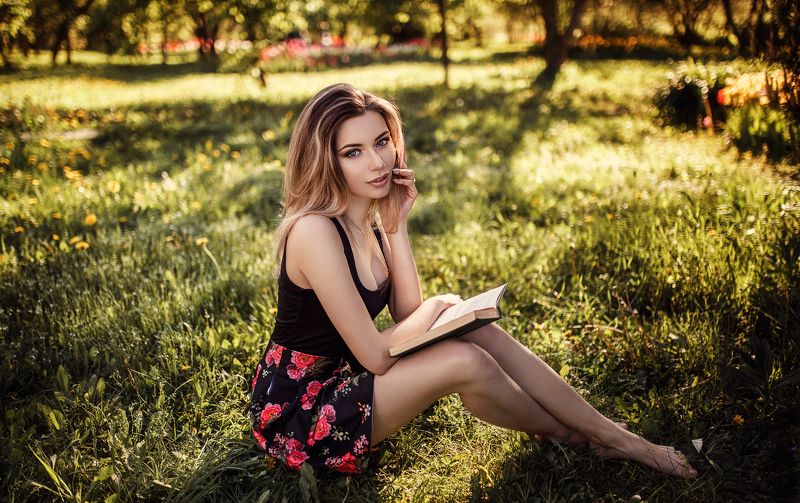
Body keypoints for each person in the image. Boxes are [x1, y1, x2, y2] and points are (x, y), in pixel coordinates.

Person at [248, 83, 698, 478]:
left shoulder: (369, 217)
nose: (378, 162)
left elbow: (406, 315)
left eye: (382, 142)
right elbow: (377, 356)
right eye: (354, 152)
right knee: (463, 359)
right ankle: (584, 436)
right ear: (325, 161)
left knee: (475, 328)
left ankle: (607, 433)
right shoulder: (313, 231)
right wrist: (440, 305)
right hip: (298, 414)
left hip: (347, 379)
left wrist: (397, 226)